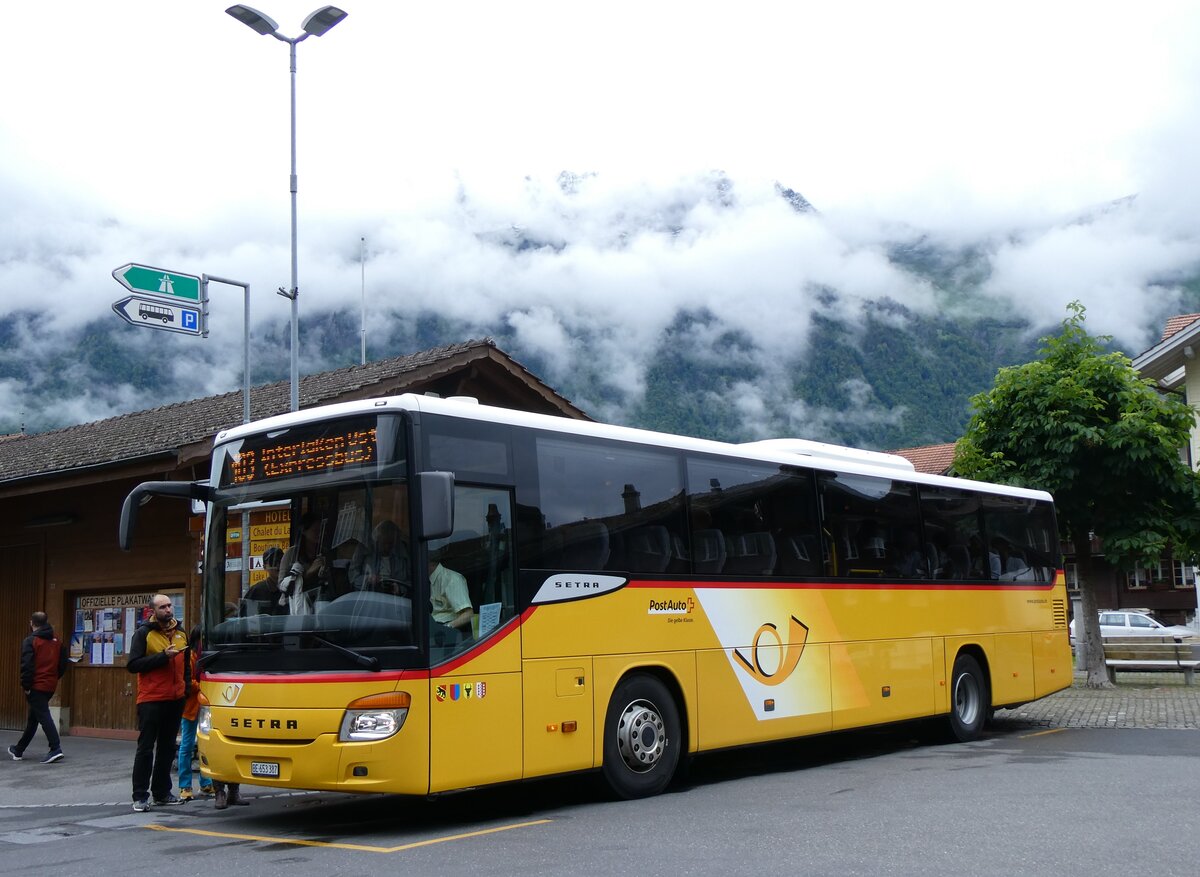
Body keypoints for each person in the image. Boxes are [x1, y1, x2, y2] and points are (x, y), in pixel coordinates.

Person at [126, 594, 189, 811]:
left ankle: (162, 792)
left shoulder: (181, 633)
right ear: (153, 610)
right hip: (151, 699)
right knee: (145, 749)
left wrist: (186, 687)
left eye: (170, 605)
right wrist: (163, 657)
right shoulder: (144, 633)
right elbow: (133, 664)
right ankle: (140, 796)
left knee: (167, 748)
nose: (168, 610)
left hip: (175, 698)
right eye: (163, 607)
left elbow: (187, 666)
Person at [8, 611, 68, 764]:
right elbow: (62, 664)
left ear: (32, 623)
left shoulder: (31, 641)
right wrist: (54, 677)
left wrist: (26, 685)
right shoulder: (57, 641)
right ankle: (19, 749)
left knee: (43, 715)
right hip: (50, 684)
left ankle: (55, 748)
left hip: (35, 685)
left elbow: (26, 665)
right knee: (33, 718)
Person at [176, 625, 213, 801]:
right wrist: (204, 686)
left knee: (204, 745)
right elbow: (187, 682)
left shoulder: (205, 656)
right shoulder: (190, 656)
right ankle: (185, 785)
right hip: (191, 707)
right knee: (187, 746)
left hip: (203, 706)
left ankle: (206, 782)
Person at [279, 511, 333, 614]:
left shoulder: (324, 553)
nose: (319, 534)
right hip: (297, 606)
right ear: (304, 531)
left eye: (321, 531)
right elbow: (282, 585)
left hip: (321, 604)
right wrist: (307, 574)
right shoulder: (292, 554)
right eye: (315, 531)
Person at [349, 520, 410, 595]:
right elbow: (352, 577)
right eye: (383, 543)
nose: (387, 547)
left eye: (390, 543)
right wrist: (367, 579)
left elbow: (414, 581)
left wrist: (400, 588)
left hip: (396, 599)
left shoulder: (405, 553)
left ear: (396, 541)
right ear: (376, 541)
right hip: (367, 597)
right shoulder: (365, 549)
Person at [429, 550, 473, 633]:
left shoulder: (452, 580)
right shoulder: (424, 580)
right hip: (428, 626)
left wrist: (446, 628)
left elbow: (468, 615)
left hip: (444, 630)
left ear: (431, 563)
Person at [242, 546, 288, 615]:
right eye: (273, 562)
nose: (278, 566)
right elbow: (245, 618)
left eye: (281, 561)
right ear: (264, 567)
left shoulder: (291, 587)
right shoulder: (257, 590)